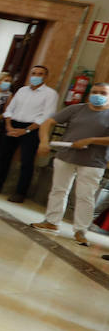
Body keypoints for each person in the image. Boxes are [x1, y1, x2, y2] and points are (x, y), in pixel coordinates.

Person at [30, 83, 109, 247]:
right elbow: (47, 123)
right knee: (59, 190)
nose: (98, 95)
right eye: (95, 92)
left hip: (93, 161)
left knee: (85, 196)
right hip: (66, 156)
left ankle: (81, 231)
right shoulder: (76, 109)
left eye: (103, 93)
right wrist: (43, 141)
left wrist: (91, 140)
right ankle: (51, 221)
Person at [0, 65, 58, 203]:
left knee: (26, 161)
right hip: (13, 125)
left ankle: (20, 193)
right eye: (34, 73)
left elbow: (46, 116)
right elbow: (9, 110)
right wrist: (9, 126)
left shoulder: (50, 94)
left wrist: (26, 130)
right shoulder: (22, 90)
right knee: (4, 156)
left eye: (40, 74)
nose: (36, 76)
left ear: (46, 77)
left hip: (32, 129)